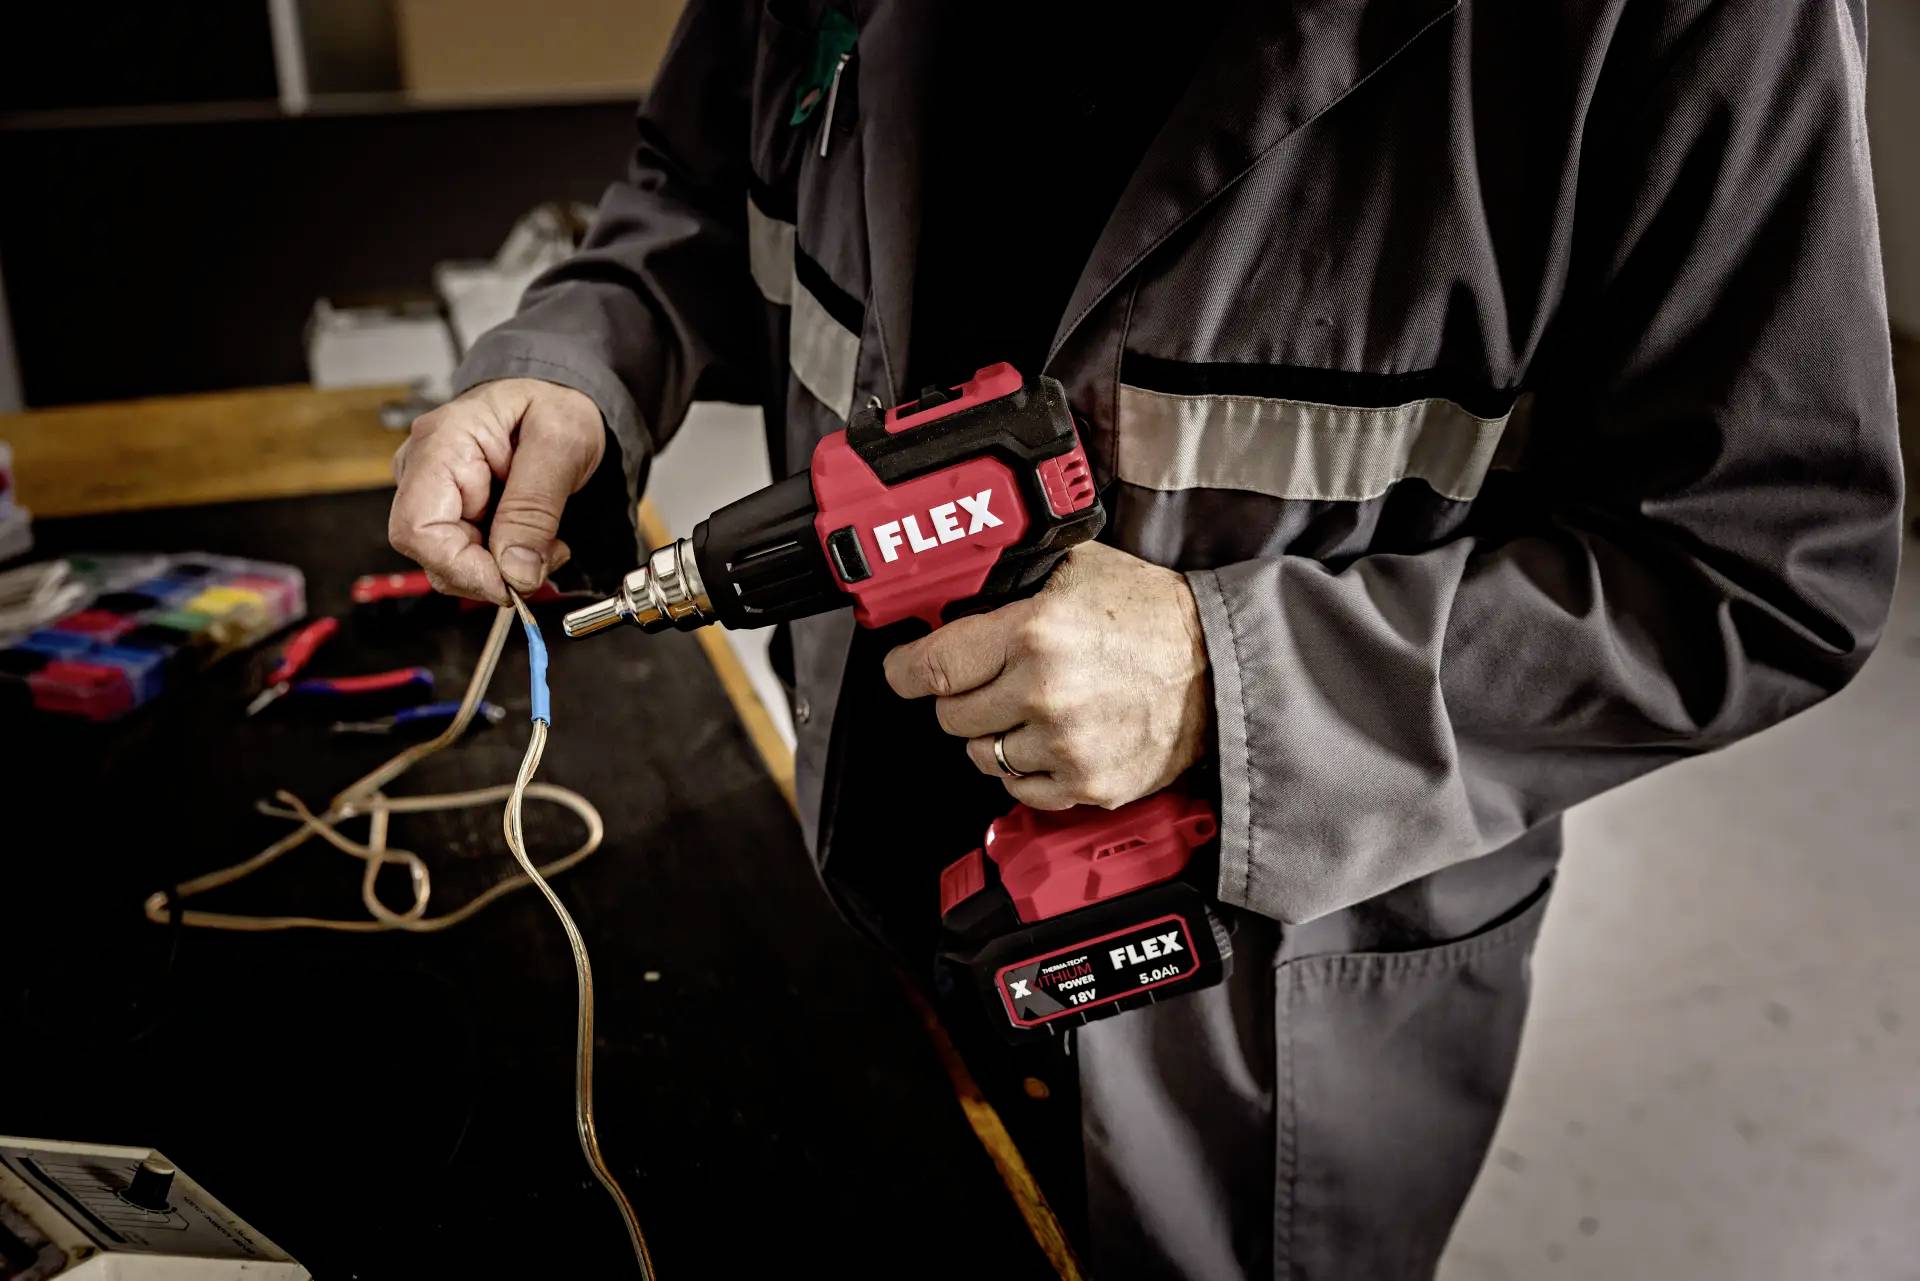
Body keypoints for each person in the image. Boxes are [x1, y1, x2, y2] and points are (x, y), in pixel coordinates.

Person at [386, 1, 1904, 1276]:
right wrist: (582, 358)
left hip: (1250, 1026)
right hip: (863, 864)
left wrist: (1230, 681)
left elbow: (1772, 557)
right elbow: (701, 188)